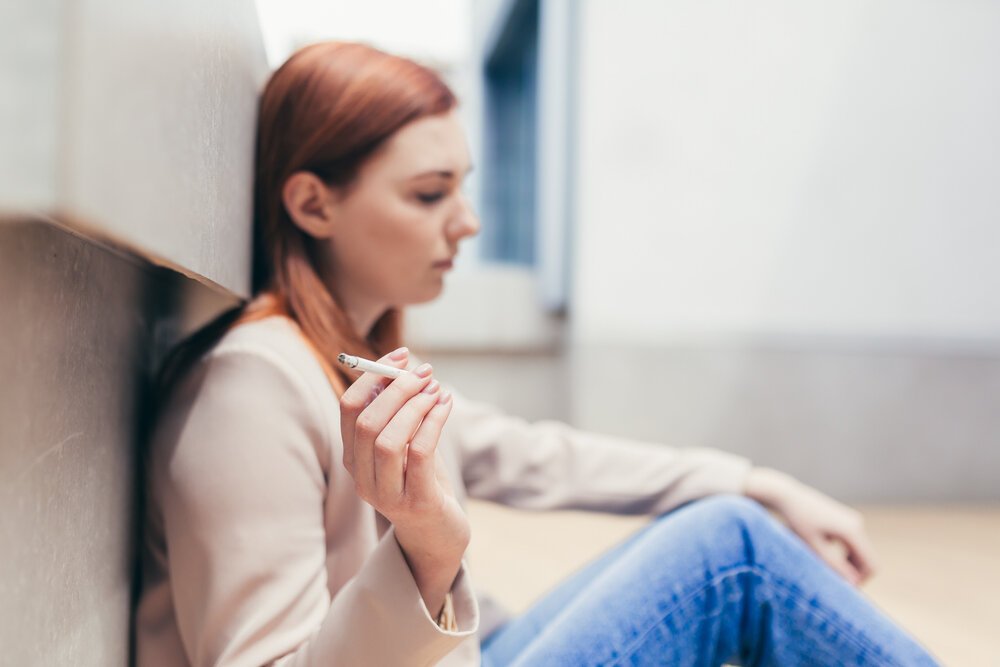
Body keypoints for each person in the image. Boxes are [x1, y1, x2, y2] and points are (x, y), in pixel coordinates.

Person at [133, 41, 939, 666]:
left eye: (464, 186)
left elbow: (540, 454)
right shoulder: (248, 387)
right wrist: (427, 547)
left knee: (725, 519)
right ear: (313, 204)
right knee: (729, 552)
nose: (469, 222)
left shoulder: (339, 358)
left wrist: (754, 479)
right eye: (429, 193)